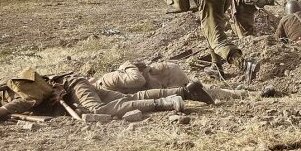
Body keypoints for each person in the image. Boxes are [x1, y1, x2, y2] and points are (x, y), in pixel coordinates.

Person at [0, 68, 185, 123]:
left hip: (72, 87)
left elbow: (30, 98)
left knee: (98, 109)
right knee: (125, 100)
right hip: (71, 96)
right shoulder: (10, 104)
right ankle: (180, 93)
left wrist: (1, 110)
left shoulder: (9, 86)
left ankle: (164, 103)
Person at [95, 61, 249, 102]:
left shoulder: (106, 80)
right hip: (161, 85)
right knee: (207, 91)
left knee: (203, 91)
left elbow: (137, 80)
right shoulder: (105, 93)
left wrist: (128, 64)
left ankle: (245, 93)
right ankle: (245, 93)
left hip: (165, 75)